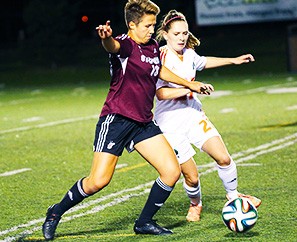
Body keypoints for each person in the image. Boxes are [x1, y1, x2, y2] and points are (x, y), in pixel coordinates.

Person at [42, 1, 211, 240]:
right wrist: (106, 37)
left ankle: (144, 222)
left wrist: (188, 83)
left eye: (153, 25)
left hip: (143, 122)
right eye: (147, 25)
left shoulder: (152, 45)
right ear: (132, 25)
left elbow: (159, 70)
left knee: (171, 171)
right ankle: (55, 212)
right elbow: (112, 47)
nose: (152, 30)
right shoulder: (126, 45)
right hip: (117, 120)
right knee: (98, 181)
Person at [154, 10, 261, 222]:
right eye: (177, 34)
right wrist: (191, 88)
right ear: (165, 34)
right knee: (191, 178)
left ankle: (233, 197)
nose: (182, 37)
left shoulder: (189, 54)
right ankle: (195, 204)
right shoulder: (160, 57)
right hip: (170, 124)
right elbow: (161, 93)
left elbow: (203, 61)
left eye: (185, 33)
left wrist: (234, 60)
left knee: (223, 157)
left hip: (194, 115)